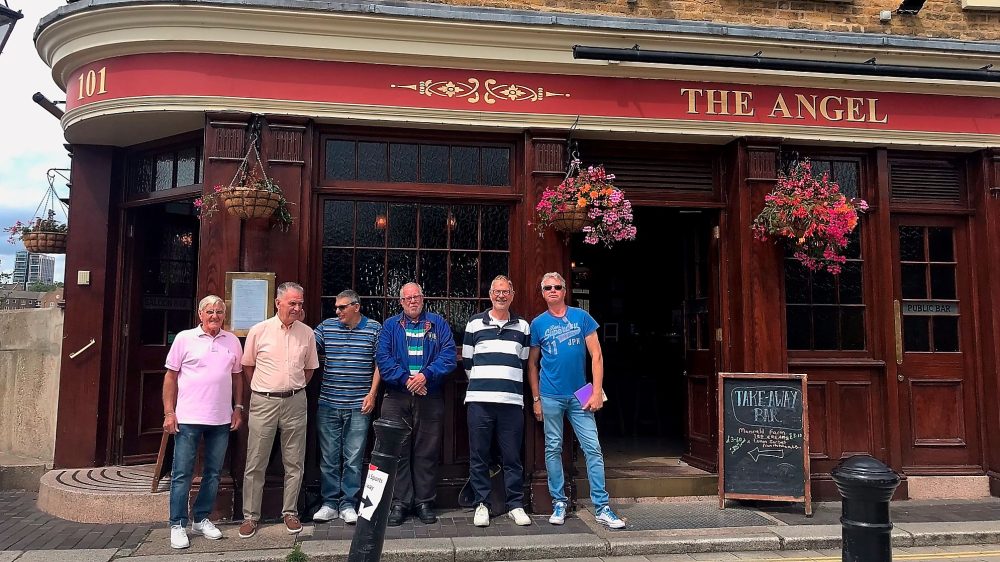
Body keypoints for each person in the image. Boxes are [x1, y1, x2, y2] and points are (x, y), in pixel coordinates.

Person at [527, 272, 626, 529]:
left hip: (581, 393)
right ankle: (559, 501)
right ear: (542, 293)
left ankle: (602, 507)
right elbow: (532, 364)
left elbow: (597, 356)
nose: (552, 290)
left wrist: (596, 391)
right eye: (547, 287)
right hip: (550, 394)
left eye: (557, 287)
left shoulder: (582, 317)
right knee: (553, 447)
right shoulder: (538, 324)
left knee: (592, 447)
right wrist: (536, 398)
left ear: (564, 290)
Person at [162, 295, 244, 549]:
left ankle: (202, 517)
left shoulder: (232, 341)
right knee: (182, 474)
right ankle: (177, 523)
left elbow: (238, 377)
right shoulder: (184, 338)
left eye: (219, 312)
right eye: (210, 311)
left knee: (213, 473)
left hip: (220, 419)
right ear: (200, 314)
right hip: (187, 418)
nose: (215, 316)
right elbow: (170, 377)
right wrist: (169, 412)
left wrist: (238, 408)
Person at [239, 282, 320, 539]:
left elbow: (309, 370)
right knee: (256, 461)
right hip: (264, 401)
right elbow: (248, 366)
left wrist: (292, 389)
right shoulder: (259, 331)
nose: (297, 308)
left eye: (300, 304)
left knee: (294, 461)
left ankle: (290, 512)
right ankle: (250, 516)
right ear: (278, 303)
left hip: (296, 401)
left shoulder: (307, 333)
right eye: (292, 303)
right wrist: (266, 389)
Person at [376, 282, 457, 526]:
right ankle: (400, 503)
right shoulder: (390, 326)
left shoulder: (438, 323)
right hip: (396, 396)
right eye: (408, 298)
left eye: (417, 297)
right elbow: (383, 358)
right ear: (400, 302)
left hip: (429, 395)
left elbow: (448, 355)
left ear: (423, 299)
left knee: (427, 452)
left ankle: (424, 502)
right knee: (397, 451)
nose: (413, 301)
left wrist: (425, 376)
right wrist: (405, 379)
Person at [462, 275, 532, 527]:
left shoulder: (523, 326)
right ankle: (482, 503)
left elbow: (524, 362)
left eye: (506, 291)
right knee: (479, 454)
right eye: (496, 291)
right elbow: (468, 363)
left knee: (512, 456)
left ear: (512, 295)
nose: (501, 295)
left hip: (511, 401)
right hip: (480, 400)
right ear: (490, 294)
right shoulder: (474, 324)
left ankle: (515, 504)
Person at [312, 289, 382, 525]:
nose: (337, 311)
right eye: (336, 307)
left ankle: (348, 504)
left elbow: (379, 364)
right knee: (329, 458)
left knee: (353, 458)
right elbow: (304, 346)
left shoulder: (374, 328)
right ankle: (329, 503)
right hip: (329, 402)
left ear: (356, 306)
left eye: (342, 307)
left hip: (358, 404)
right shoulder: (326, 327)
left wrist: (372, 394)